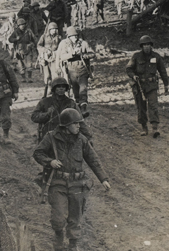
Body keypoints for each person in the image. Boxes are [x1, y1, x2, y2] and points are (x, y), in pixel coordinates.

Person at [33, 108, 111, 251]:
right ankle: (58, 235)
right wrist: (50, 161)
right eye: (75, 124)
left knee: (75, 217)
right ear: (66, 125)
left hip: (77, 184)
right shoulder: (51, 137)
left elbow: (93, 160)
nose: (79, 126)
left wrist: (103, 179)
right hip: (58, 184)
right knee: (58, 217)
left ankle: (73, 245)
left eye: (79, 123)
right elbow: (38, 153)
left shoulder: (82, 140)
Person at [126, 35, 169, 138]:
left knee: (153, 106)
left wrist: (166, 84)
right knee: (141, 107)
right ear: (141, 46)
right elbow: (128, 69)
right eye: (144, 45)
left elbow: (162, 71)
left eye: (148, 45)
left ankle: (155, 128)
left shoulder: (156, 57)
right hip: (139, 86)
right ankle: (144, 127)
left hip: (152, 86)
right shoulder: (136, 56)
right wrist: (133, 76)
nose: (146, 47)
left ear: (151, 46)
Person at [31, 77, 92, 142]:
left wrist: (87, 137)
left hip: (67, 135)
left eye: (63, 87)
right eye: (58, 87)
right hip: (49, 135)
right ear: (54, 88)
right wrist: (47, 114)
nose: (61, 88)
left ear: (66, 89)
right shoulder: (45, 102)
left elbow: (80, 121)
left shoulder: (71, 103)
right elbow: (34, 117)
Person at [57, 26, 96, 117]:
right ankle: (77, 107)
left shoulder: (83, 43)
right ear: (68, 37)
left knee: (83, 89)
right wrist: (72, 54)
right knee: (75, 91)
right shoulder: (64, 44)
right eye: (73, 36)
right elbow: (61, 57)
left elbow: (92, 54)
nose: (75, 38)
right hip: (71, 71)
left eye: (76, 35)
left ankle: (83, 109)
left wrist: (82, 55)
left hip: (83, 69)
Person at [8, 18, 38, 82]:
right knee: (20, 66)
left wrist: (33, 44)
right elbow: (10, 39)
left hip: (28, 49)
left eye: (24, 24)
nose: (23, 26)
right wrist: (16, 39)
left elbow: (34, 39)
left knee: (29, 65)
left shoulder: (29, 31)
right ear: (18, 26)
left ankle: (29, 78)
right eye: (21, 25)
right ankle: (23, 78)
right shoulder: (16, 32)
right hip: (19, 51)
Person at [37, 22, 63, 88]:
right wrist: (45, 50)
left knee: (55, 74)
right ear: (49, 30)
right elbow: (39, 46)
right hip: (45, 58)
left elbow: (62, 47)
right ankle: (48, 87)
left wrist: (57, 52)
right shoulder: (44, 36)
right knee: (47, 75)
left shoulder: (59, 38)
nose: (54, 30)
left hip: (54, 58)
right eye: (52, 29)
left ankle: (54, 87)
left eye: (55, 29)